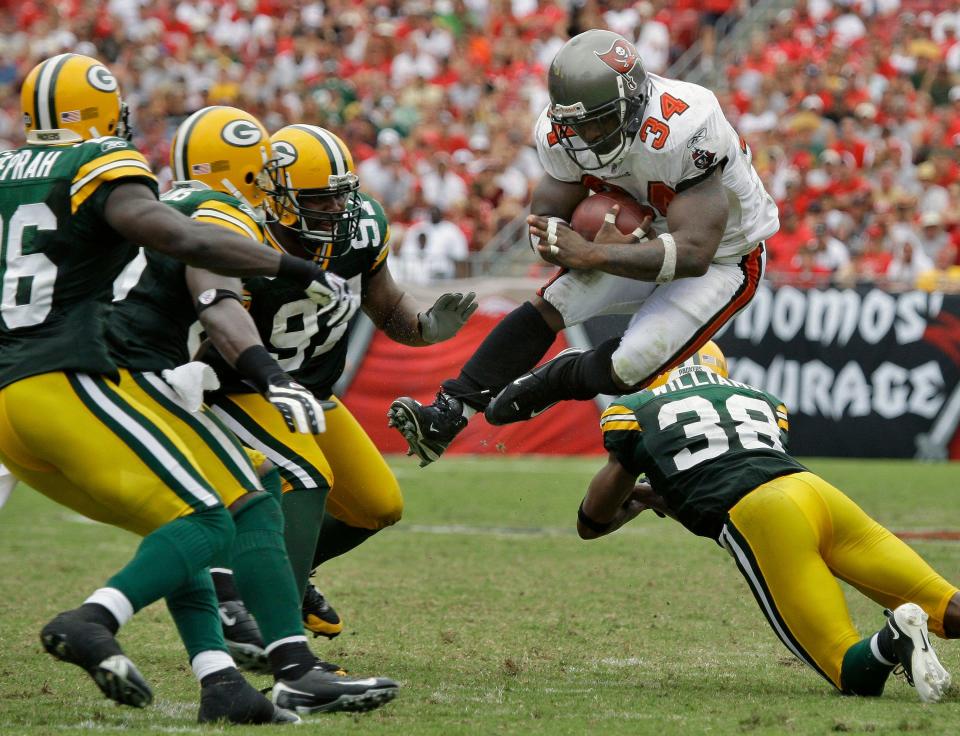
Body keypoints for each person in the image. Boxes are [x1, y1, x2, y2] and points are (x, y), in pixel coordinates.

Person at [0, 54, 348, 724]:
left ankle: (221, 682)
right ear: (102, 114)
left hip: (15, 396)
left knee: (217, 504)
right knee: (214, 514)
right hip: (65, 379)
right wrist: (291, 267)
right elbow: (174, 235)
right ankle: (94, 620)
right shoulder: (99, 163)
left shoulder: (10, 171)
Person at [105, 105, 400, 714]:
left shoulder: (156, 202)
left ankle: (225, 654)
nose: (264, 188)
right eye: (256, 174)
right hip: (175, 382)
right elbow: (215, 306)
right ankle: (272, 636)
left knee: (230, 517)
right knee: (255, 499)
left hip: (155, 374)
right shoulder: (216, 219)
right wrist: (267, 369)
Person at [388, 29, 778, 466]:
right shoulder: (560, 132)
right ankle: (447, 413)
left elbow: (692, 253)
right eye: (578, 123)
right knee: (551, 303)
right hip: (635, 237)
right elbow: (548, 209)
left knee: (631, 366)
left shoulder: (686, 124)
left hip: (724, 258)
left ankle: (560, 377)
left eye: (600, 120)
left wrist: (593, 254)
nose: (588, 135)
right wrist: (557, 240)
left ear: (633, 103)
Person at [198, 124, 477, 644]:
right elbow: (212, 320)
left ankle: (286, 575)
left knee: (377, 505)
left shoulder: (361, 226)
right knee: (309, 477)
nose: (336, 210)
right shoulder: (242, 233)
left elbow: (388, 305)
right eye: (319, 199)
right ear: (278, 197)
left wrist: (424, 327)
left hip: (313, 393)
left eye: (341, 195)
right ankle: (270, 621)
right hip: (243, 387)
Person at [580, 341, 956, 702]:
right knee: (947, 604)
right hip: (815, 492)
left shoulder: (636, 408)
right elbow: (728, 467)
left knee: (846, 668)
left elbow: (593, 520)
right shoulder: (760, 400)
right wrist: (662, 495)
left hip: (762, 514)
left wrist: (639, 497)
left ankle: (894, 639)